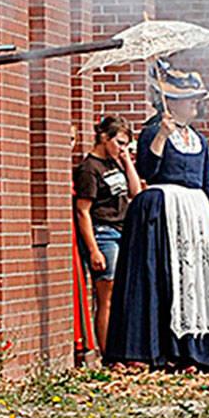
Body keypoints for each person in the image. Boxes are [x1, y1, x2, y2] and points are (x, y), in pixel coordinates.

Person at [104, 65, 209, 372]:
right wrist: (161, 134)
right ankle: (149, 348)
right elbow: (147, 170)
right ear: (170, 102)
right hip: (163, 211)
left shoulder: (199, 139)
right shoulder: (152, 132)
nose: (195, 105)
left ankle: (192, 350)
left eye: (196, 100)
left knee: (192, 280)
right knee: (158, 277)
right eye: (189, 100)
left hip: (195, 215)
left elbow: (208, 183)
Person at [74, 116, 139, 363]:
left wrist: (126, 161)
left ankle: (122, 350)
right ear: (104, 138)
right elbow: (83, 211)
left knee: (122, 293)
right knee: (107, 296)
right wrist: (93, 249)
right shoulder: (90, 168)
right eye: (119, 142)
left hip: (123, 231)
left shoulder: (116, 162)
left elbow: (135, 192)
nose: (122, 148)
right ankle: (109, 355)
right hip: (104, 233)